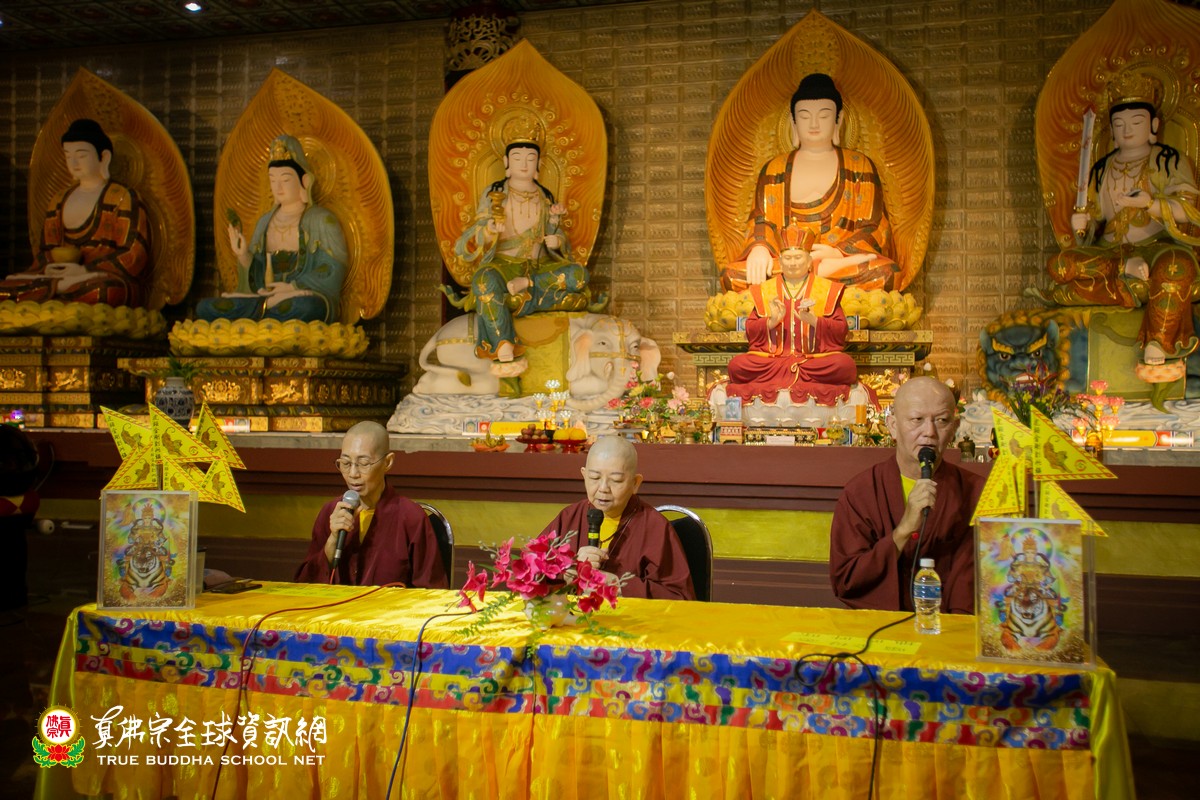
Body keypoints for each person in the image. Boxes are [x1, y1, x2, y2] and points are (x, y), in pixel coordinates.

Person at [1046, 71, 1200, 367]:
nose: (1127, 130)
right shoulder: (1101, 169)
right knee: (1060, 264)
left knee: (1177, 267)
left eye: (1136, 122)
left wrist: (1150, 204)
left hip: (1157, 248)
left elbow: (1188, 210)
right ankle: (1125, 272)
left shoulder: (1169, 160)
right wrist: (1083, 226)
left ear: (1153, 126)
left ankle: (1158, 341)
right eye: (1119, 124)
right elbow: (1095, 222)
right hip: (1111, 253)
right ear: (1112, 131)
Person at [726, 73, 897, 293]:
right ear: (793, 122)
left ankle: (812, 275)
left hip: (839, 262)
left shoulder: (859, 166)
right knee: (732, 275)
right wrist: (759, 249)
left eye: (824, 115)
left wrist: (838, 253)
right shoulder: (775, 168)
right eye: (805, 116)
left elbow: (875, 227)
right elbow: (762, 221)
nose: (814, 124)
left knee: (885, 273)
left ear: (838, 120)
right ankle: (816, 274)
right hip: (786, 263)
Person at [828, 377, 985, 614]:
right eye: (916, 420)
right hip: (882, 625)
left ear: (954, 428)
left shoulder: (977, 492)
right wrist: (903, 531)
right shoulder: (862, 491)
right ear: (892, 426)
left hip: (952, 628)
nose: (929, 432)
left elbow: (983, 578)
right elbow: (846, 580)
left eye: (941, 420)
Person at [455, 121, 589, 379]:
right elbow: (474, 235)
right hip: (504, 266)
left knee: (579, 276)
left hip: (538, 268)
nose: (524, 164)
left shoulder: (545, 196)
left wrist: (557, 240)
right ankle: (503, 343)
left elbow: (555, 235)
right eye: (517, 158)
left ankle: (526, 286)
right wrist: (490, 230)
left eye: (531, 158)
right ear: (507, 162)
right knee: (483, 282)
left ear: (539, 164)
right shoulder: (495, 193)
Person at [197, 134, 348, 324]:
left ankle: (260, 316)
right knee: (205, 308)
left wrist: (293, 288)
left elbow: (333, 268)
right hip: (266, 298)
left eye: (285, 180)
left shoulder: (321, 220)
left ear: (305, 182)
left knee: (307, 308)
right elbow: (257, 276)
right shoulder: (264, 222)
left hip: (300, 299)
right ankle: (265, 311)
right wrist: (244, 256)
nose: (278, 187)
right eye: (272, 180)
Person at [0, 118, 151, 306]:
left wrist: (85, 271)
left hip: (100, 278)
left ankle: (49, 290)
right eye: (68, 156)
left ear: (104, 157)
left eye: (81, 155)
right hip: (62, 277)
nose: (73, 162)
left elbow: (134, 254)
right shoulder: (59, 199)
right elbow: (47, 250)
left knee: (105, 291)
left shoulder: (122, 197)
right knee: (5, 287)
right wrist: (52, 267)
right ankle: (55, 287)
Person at [539, 436, 694, 600]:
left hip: (630, 616)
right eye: (594, 478)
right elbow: (529, 572)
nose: (603, 488)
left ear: (635, 483)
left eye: (616, 480)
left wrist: (619, 585)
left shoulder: (654, 527)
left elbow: (680, 598)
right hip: (572, 615)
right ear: (584, 475)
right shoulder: (569, 517)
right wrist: (568, 572)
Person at [295, 421, 447, 588]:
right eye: (346, 463)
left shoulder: (410, 517)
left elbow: (432, 591)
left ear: (387, 462)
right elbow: (303, 588)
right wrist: (331, 543)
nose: (353, 474)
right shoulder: (331, 512)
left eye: (363, 463)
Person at [725, 226, 858, 406]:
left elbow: (841, 330)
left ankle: (786, 378)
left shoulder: (827, 289)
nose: (793, 263)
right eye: (788, 258)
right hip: (773, 361)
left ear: (809, 261)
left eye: (798, 257)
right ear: (780, 262)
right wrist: (771, 322)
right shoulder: (765, 290)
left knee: (844, 365)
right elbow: (751, 329)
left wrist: (815, 321)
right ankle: (790, 376)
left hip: (813, 361)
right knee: (737, 365)